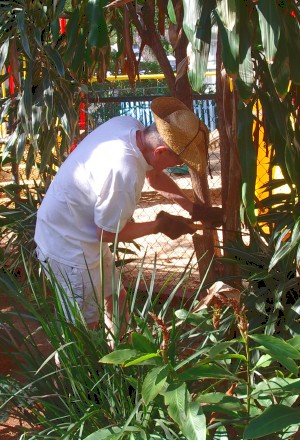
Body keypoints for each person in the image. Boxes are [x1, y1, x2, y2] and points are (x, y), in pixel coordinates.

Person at [34, 96, 223, 339]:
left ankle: (121, 355)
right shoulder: (125, 173)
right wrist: (159, 226)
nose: (180, 166)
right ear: (161, 150)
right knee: (84, 329)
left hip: (79, 231)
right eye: (179, 161)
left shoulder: (129, 126)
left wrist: (192, 208)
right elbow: (107, 233)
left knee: (116, 297)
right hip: (67, 246)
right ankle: (79, 374)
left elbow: (155, 176)